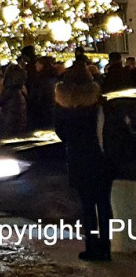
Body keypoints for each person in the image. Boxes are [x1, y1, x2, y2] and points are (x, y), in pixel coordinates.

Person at [55, 62, 114, 262]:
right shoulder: (99, 106)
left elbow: (61, 133)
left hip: (79, 161)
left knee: (87, 206)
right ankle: (106, 247)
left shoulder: (65, 109)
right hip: (101, 159)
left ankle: (91, 246)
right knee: (104, 204)